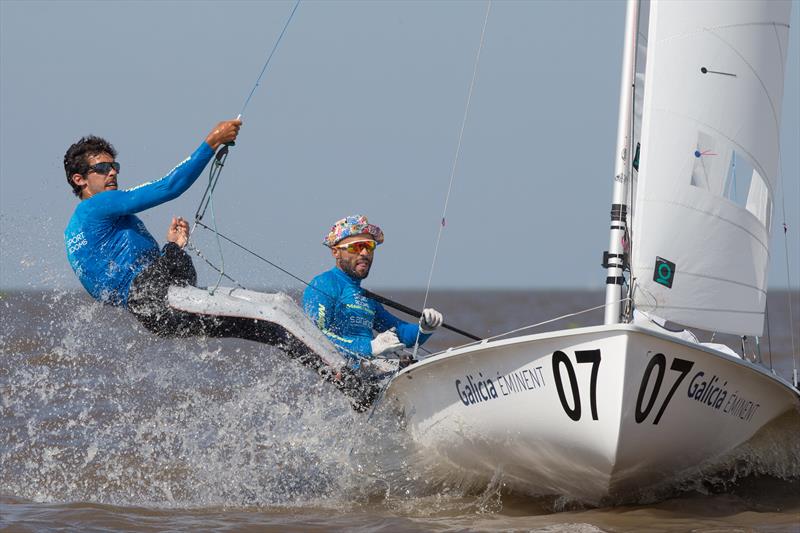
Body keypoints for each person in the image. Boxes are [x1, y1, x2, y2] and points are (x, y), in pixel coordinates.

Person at [63, 122, 380, 411]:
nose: (113, 173)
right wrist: (211, 143)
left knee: (277, 310)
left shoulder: (79, 233)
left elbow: (137, 285)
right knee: (273, 316)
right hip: (159, 300)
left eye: (114, 166)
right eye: (102, 168)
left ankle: (350, 381)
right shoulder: (96, 206)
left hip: (161, 300)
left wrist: (174, 248)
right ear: (80, 180)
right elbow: (169, 186)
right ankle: (354, 380)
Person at [303, 215, 444, 368]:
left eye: (369, 246)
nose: (364, 253)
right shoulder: (324, 284)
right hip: (342, 378)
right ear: (336, 252)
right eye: (356, 246)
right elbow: (316, 336)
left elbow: (400, 334)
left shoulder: (367, 299)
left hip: (371, 372)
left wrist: (424, 329)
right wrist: (370, 347)